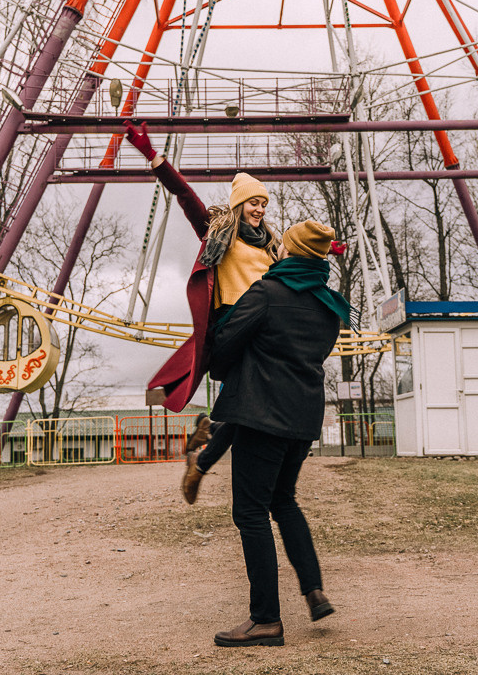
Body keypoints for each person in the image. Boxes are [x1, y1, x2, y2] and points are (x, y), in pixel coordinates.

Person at [206, 220, 350, 647]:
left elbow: (227, 338)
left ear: (290, 249)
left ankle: (266, 619)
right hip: (303, 419)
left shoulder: (268, 292)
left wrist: (225, 361)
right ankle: (313, 588)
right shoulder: (330, 305)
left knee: (250, 513)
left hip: (262, 414)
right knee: (283, 501)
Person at [122, 121, 278, 501]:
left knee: (249, 404)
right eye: (253, 202)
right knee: (248, 401)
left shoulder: (272, 244)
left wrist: (324, 252)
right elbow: (184, 194)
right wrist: (152, 155)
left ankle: (206, 438)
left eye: (264, 203)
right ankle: (204, 457)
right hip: (230, 324)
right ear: (239, 204)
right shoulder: (217, 230)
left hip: (262, 327)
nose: (259, 208)